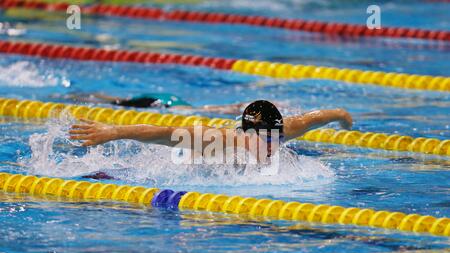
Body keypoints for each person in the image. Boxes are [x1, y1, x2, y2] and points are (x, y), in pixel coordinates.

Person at [69, 100, 352, 163]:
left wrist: (342, 119)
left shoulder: (289, 128)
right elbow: (163, 131)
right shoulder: (221, 141)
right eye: (262, 139)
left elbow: (326, 115)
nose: (270, 145)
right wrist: (113, 131)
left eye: (273, 138)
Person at [65, 92, 247, 115]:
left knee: (120, 101)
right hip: (163, 102)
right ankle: (80, 96)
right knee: (119, 102)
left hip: (169, 100)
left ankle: (78, 96)